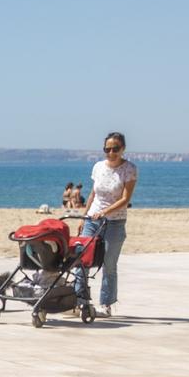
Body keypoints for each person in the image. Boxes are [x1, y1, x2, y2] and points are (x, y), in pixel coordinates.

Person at [77, 131, 137, 316]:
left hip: (115, 222)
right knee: (81, 259)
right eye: (107, 149)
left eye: (115, 149)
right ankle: (80, 301)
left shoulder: (129, 169)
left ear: (123, 149)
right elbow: (93, 194)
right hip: (93, 220)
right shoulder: (98, 167)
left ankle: (106, 304)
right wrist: (84, 216)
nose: (111, 153)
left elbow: (126, 199)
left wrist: (105, 212)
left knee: (109, 264)